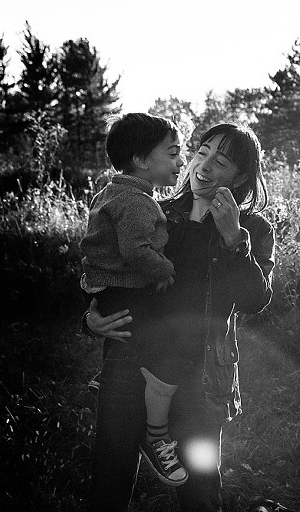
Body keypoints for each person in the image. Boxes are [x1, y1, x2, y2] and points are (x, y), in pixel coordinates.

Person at [83, 122, 275, 512]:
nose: (203, 165)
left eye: (220, 161)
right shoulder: (155, 210)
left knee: (200, 488)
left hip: (201, 371)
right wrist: (89, 316)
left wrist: (234, 241)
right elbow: (105, 264)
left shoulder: (251, 228)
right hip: (130, 358)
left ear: (240, 176)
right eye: (201, 152)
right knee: (110, 476)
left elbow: (255, 300)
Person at [80, 113, 189, 486]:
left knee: (141, 343)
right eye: (173, 153)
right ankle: (152, 428)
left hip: (111, 289)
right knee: (165, 348)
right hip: (126, 290)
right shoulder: (137, 200)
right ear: (142, 161)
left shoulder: (113, 192)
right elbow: (136, 249)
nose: (181, 161)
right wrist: (165, 270)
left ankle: (114, 384)